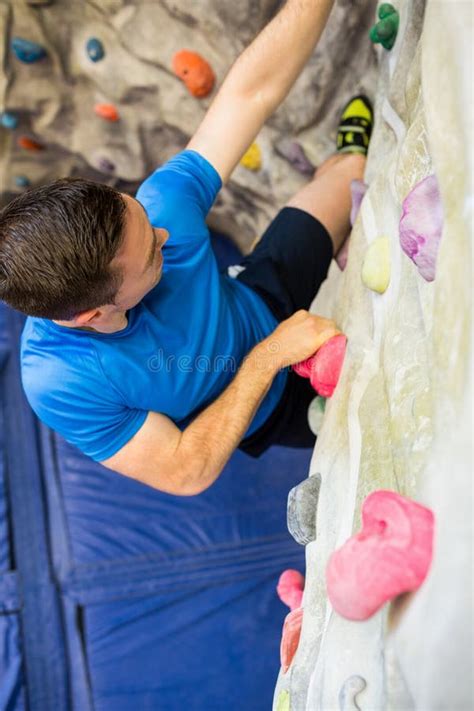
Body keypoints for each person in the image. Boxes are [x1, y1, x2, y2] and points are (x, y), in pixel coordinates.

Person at [0, 0, 372, 496]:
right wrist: (269, 358)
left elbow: (250, 94)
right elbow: (186, 470)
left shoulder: (162, 207)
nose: (163, 236)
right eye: (152, 255)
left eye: (139, 216)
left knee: (354, 177)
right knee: (374, 406)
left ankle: (344, 154)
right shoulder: (60, 381)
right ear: (92, 314)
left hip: (258, 290)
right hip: (266, 411)